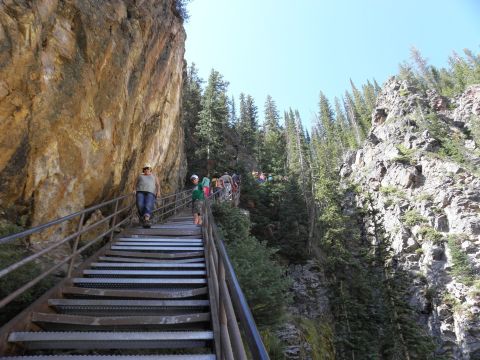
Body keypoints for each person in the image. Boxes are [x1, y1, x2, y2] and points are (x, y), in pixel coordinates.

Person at [135, 163, 160, 228]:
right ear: (143, 170)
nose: (146, 170)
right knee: (140, 204)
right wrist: (134, 189)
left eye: (148, 168)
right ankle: (143, 217)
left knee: (148, 204)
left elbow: (157, 184)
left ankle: (146, 220)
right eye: (145, 168)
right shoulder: (140, 176)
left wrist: (158, 192)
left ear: (150, 169)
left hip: (150, 192)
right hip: (140, 191)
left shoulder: (154, 175)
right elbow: (135, 183)